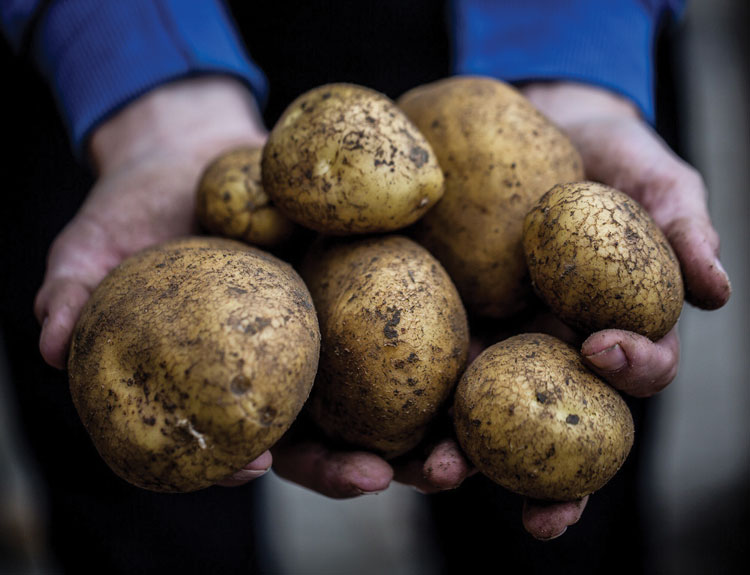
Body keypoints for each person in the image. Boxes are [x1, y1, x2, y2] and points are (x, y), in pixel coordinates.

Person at [0, 0, 731, 572]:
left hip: (523, 43)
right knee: (150, 537)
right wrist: (141, 87)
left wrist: (576, 53)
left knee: (548, 541)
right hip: (102, 87)